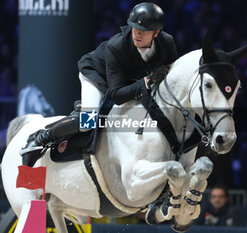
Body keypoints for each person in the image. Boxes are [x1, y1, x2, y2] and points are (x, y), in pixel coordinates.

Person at [20, 2, 178, 167]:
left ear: (156, 33)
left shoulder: (167, 43)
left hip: (127, 80)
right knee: (89, 120)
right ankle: (41, 137)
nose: (137, 34)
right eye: (134, 28)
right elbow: (117, 95)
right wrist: (147, 81)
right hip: (97, 75)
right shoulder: (117, 46)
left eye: (143, 31)